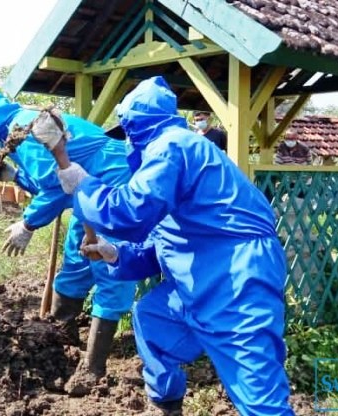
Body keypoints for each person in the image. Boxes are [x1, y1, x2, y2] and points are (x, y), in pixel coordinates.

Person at [55, 76, 294, 415]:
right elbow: (163, 242)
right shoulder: (172, 158)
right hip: (201, 274)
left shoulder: (173, 146)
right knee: (153, 319)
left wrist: (84, 185)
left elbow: (130, 213)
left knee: (257, 392)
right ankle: (165, 407)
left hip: (237, 277)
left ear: (135, 127)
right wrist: (115, 253)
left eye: (127, 134)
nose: (126, 145)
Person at [0, 90, 137, 396]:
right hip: (87, 191)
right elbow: (47, 180)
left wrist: (28, 224)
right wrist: (11, 175)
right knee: (77, 259)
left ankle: (93, 368)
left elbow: (56, 189)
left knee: (111, 269)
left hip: (113, 189)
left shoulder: (28, 131)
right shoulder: (17, 131)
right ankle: (61, 337)